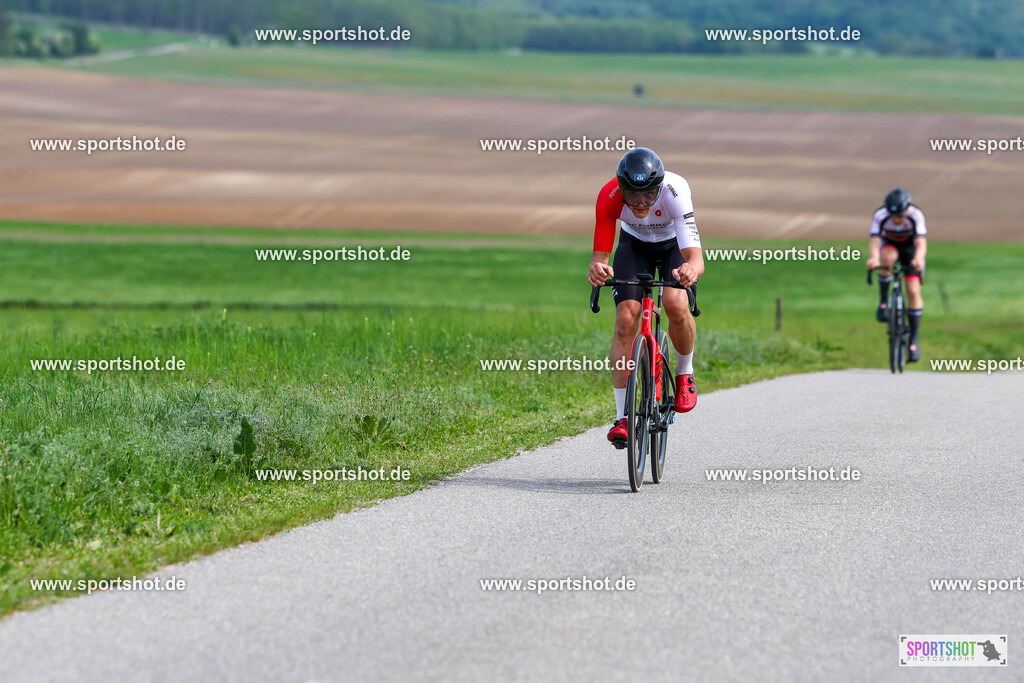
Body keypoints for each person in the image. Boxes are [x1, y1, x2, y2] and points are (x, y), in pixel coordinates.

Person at [587, 147, 704, 446]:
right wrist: (599, 270)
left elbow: (695, 258)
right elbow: (600, 257)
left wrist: (690, 272)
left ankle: (684, 373)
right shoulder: (609, 194)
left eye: (649, 194)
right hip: (633, 245)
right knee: (626, 319)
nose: (641, 202)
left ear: (660, 186)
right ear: (620, 187)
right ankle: (623, 417)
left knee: (675, 304)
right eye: (633, 194)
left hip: (672, 246)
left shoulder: (675, 192)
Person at [865, 187, 927, 362]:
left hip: (910, 249)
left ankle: (913, 341)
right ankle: (884, 302)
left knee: (913, 291)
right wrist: (874, 258)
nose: (897, 220)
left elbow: (921, 242)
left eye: (900, 215)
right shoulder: (880, 216)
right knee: (887, 258)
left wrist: (918, 259)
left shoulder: (916, 215)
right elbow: (875, 240)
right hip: (890, 246)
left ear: (906, 210)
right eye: (894, 216)